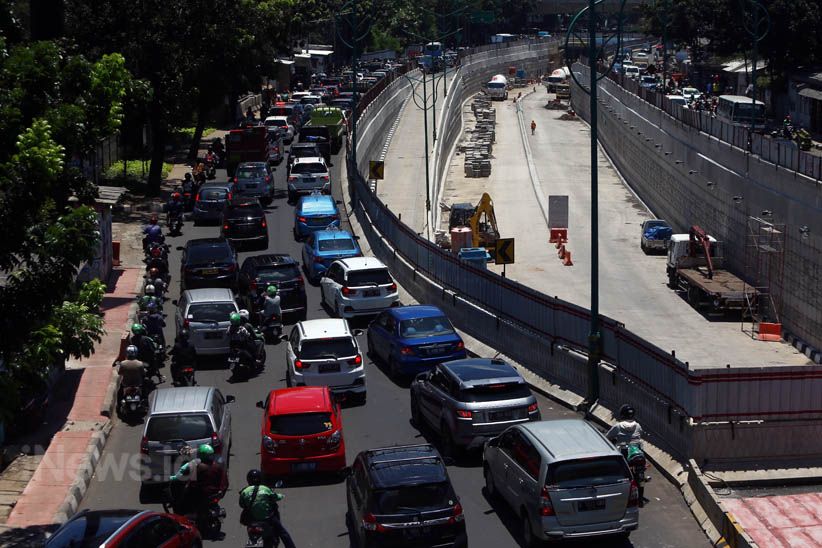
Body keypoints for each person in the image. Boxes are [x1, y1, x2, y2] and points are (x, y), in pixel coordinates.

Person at [239, 469, 296, 548]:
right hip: (267, 519)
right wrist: (281, 496)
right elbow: (275, 497)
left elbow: (242, 504)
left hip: (252, 520)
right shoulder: (265, 489)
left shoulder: (244, 491)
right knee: (283, 533)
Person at [169, 444, 228, 517]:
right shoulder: (218, 466)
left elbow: (180, 477)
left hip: (199, 494)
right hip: (215, 493)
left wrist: (170, 478)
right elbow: (225, 482)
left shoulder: (196, 466)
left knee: (181, 502)